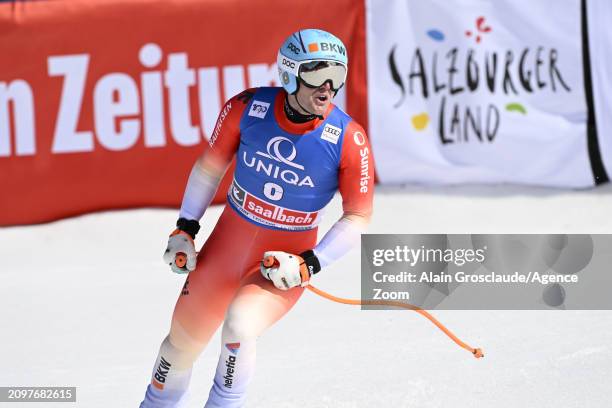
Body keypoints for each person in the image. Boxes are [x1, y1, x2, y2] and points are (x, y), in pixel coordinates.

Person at [140, 28, 374, 407]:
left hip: (279, 266)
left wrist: (308, 264)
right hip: (223, 254)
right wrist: (185, 228)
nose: (328, 87)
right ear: (289, 73)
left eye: (338, 75)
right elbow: (208, 168)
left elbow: (358, 217)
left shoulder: (349, 138)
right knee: (178, 347)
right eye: (317, 74)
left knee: (239, 328)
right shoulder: (247, 107)